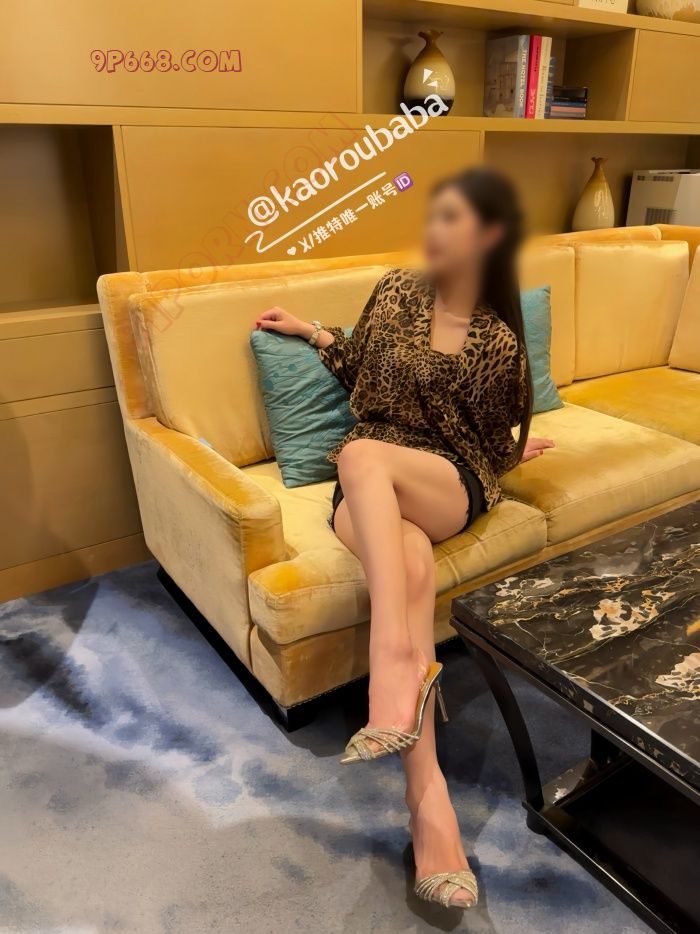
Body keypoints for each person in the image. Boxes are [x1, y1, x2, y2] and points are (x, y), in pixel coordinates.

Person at [254, 167, 554, 910]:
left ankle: (390, 667)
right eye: (434, 215)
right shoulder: (394, 290)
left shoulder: (495, 339)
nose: (434, 231)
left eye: (453, 219)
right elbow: (358, 364)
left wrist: (512, 453)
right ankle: (430, 806)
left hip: (446, 480)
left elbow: (489, 440)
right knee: (406, 553)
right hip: (369, 487)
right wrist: (311, 332)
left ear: (490, 237)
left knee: (361, 454)